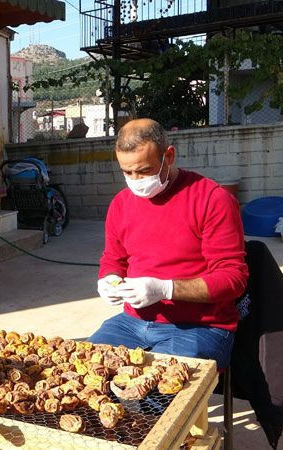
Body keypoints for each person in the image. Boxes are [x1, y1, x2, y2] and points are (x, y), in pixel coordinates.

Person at [89, 119, 248, 368]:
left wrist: (165, 289)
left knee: (155, 390)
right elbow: (113, 259)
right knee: (85, 373)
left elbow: (233, 279)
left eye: (145, 170)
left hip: (201, 325)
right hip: (132, 321)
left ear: (169, 156)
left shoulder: (212, 199)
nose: (136, 180)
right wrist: (108, 279)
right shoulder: (121, 204)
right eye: (127, 172)